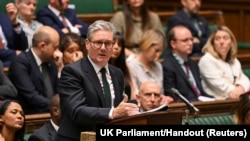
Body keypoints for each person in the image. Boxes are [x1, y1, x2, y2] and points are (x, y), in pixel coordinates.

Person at [55, 20, 139, 141]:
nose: (103, 48)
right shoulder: (72, 72)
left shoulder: (117, 73)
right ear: (88, 44)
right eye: (98, 43)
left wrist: (132, 109)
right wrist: (113, 113)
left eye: (108, 43)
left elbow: (119, 109)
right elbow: (77, 111)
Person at [8, 26, 59, 114]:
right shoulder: (20, 63)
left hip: (53, 113)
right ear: (42, 46)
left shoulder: (51, 63)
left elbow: (59, 90)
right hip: (32, 117)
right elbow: (31, 96)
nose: (57, 52)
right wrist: (58, 107)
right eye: (55, 47)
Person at [163, 25, 213, 102]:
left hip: (202, 104)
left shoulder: (193, 64)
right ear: (173, 44)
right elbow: (172, 95)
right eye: (185, 40)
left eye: (191, 39)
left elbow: (200, 91)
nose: (190, 43)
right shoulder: (168, 66)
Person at [198, 26, 250, 100]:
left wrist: (241, 88)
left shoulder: (234, 60)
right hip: (218, 104)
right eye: (217, 39)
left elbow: (245, 80)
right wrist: (239, 91)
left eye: (225, 38)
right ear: (213, 43)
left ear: (231, 42)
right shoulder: (207, 60)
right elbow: (220, 86)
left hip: (235, 100)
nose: (221, 42)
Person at [127, 29, 173, 104]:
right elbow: (134, 97)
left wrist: (164, 98)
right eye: (156, 50)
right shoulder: (131, 66)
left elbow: (161, 93)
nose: (158, 55)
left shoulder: (158, 66)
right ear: (146, 45)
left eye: (161, 51)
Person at [109, 31, 138, 100]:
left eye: (120, 45)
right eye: (113, 43)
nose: (116, 47)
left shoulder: (125, 66)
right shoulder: (101, 67)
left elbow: (134, 88)